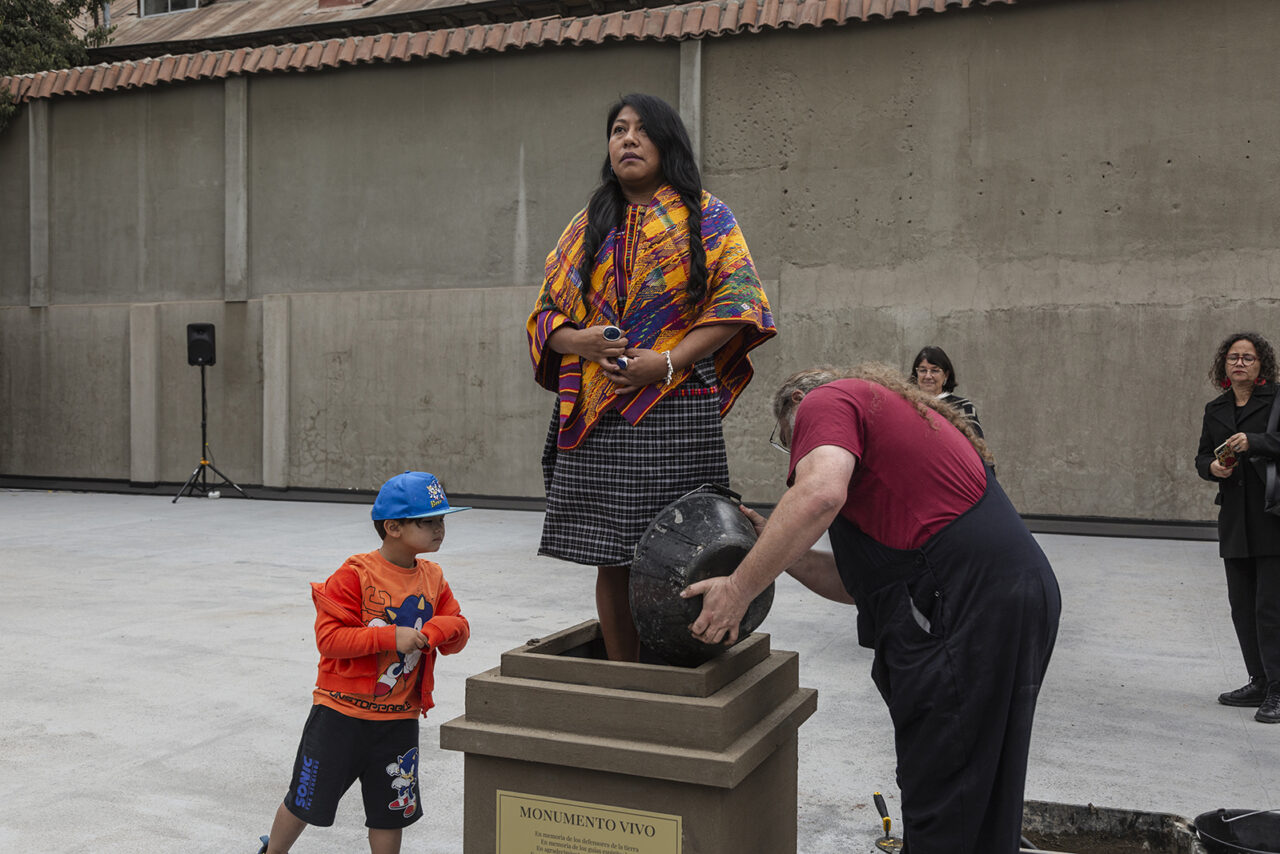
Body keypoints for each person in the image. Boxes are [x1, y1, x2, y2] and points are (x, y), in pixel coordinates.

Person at [684, 364, 1060, 854]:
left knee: (944, 794)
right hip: (1007, 595)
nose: (798, 455)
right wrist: (775, 552)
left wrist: (737, 589)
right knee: (980, 790)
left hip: (965, 606)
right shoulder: (897, 426)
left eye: (789, 441)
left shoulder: (828, 401)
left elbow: (818, 494)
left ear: (797, 400)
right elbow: (856, 583)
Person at [526, 93, 776, 661]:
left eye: (641, 130)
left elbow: (739, 304)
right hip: (599, 414)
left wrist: (662, 363)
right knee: (612, 555)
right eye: (618, 130)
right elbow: (544, 318)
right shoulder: (586, 223)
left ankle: (681, 664)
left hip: (677, 406)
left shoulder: (708, 215)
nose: (628, 139)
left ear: (668, 144)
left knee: (684, 543)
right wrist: (582, 341)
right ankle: (623, 675)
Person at [255, 471, 471, 854]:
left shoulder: (434, 578)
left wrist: (437, 631)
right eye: (429, 521)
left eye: (442, 520)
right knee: (305, 799)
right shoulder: (355, 574)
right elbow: (330, 639)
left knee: (392, 811)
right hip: (340, 717)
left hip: (398, 720)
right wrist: (391, 636)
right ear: (393, 528)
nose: (440, 529)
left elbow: (459, 632)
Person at [1194, 332, 1280, 724]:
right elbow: (1200, 458)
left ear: (1262, 364)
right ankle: (1259, 680)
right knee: (1242, 607)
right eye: (1233, 357)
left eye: (1248, 357)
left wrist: (1256, 442)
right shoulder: (1216, 408)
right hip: (1234, 518)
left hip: (1272, 515)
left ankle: (1279, 689)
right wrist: (1212, 468)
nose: (1240, 363)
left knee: (1270, 609)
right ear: (1223, 365)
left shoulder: (1277, 400)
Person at [909, 345, 983, 438]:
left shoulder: (963, 407)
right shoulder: (908, 404)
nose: (928, 376)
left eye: (934, 371)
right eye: (923, 370)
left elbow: (976, 447)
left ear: (946, 375)